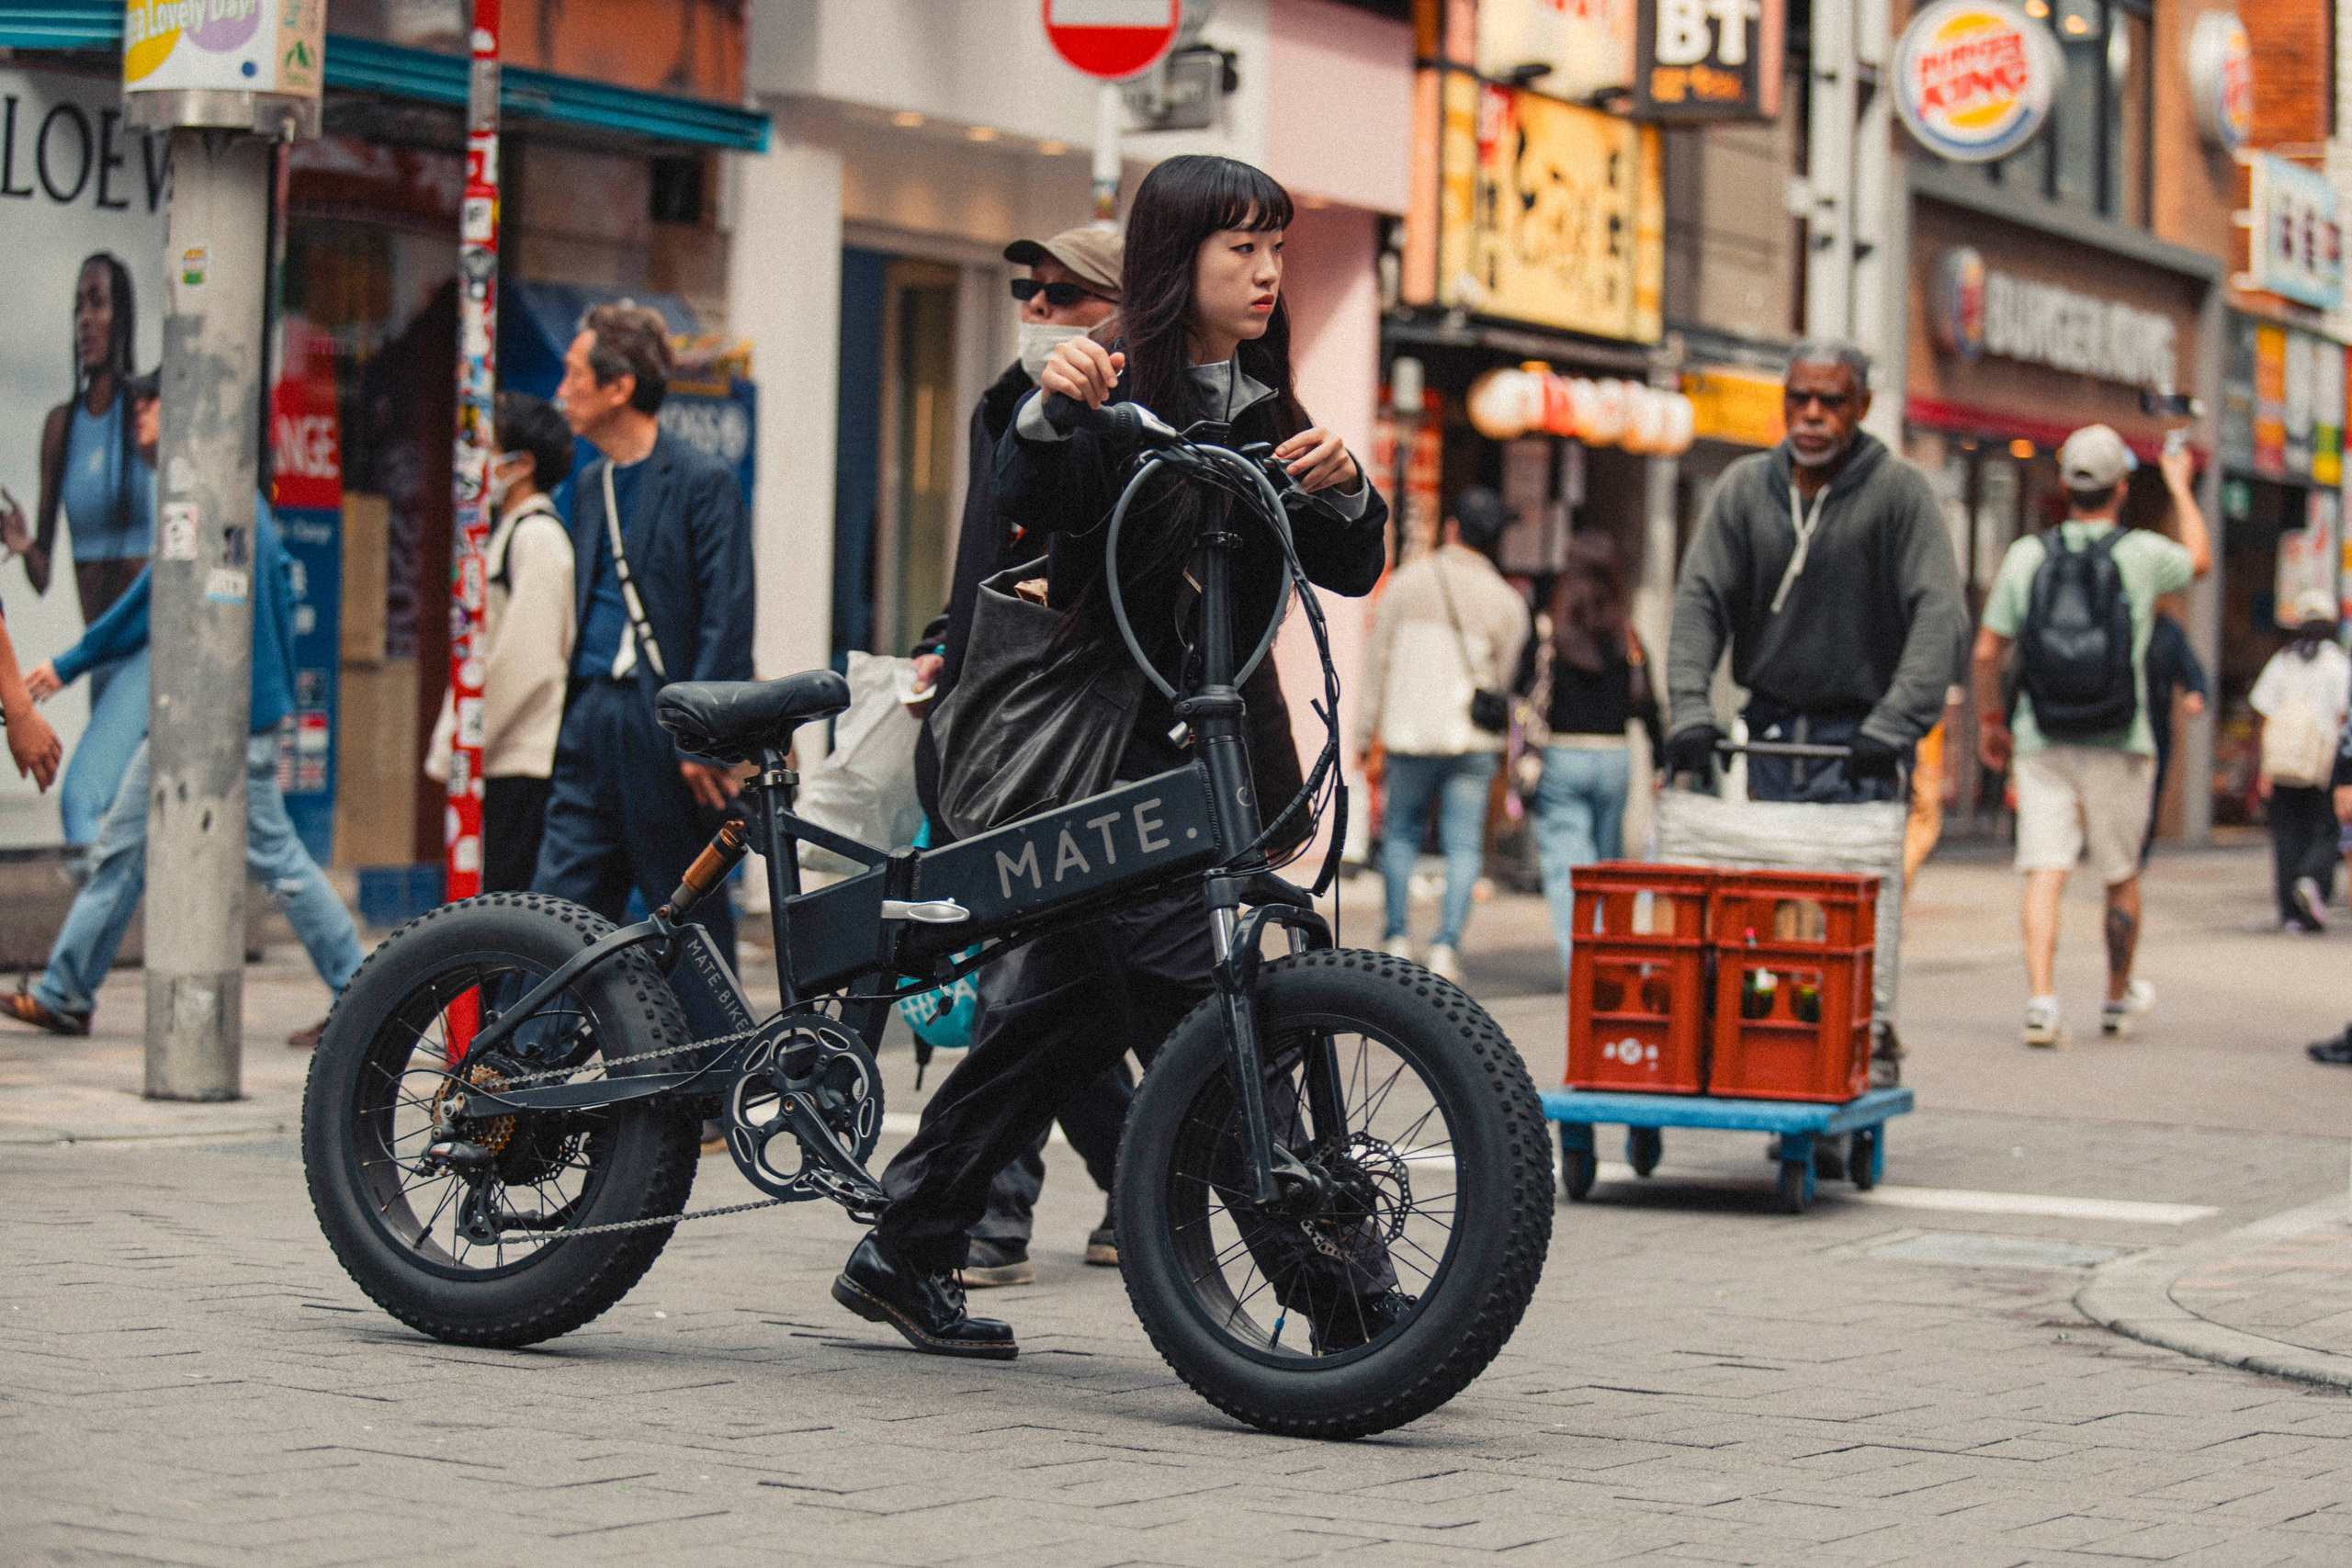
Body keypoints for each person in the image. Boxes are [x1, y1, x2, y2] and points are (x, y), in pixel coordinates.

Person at [831, 153, 1388, 1359]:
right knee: (1210, 1008)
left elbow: (1347, 567)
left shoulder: (1262, 402)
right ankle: (1345, 1296)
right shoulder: (1103, 383)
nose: (1265, 271)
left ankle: (907, 1239)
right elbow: (1021, 492)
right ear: (1173, 252)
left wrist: (1349, 492)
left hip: (1211, 773)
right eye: (1240, 246)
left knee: (1067, 1014)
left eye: (1276, 250)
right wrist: (1050, 406)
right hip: (1103, 772)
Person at [899, 225, 1133, 1289]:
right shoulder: (1007, 403)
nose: (1036, 312)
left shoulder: (1128, 422)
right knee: (1041, 977)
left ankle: (985, 1218)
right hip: (987, 724)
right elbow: (983, 561)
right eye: (1030, 294)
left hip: (1074, 738)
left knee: (1036, 976)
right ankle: (1126, 1186)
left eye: (1064, 298)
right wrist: (943, 643)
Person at [1, 497, 364, 1038]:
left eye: (145, 407)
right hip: (198, 715)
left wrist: (68, 663)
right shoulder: (236, 498)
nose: (142, 419)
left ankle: (362, 997)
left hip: (225, 717)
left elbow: (156, 596)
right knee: (123, 850)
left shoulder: (208, 490)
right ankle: (66, 993)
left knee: (278, 857)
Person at [531, 301, 754, 1039]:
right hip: (593, 711)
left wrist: (703, 739)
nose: (562, 388)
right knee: (557, 900)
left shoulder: (701, 480)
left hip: (664, 723)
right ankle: (527, 1069)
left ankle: (717, 1077)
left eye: (574, 373)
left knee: (683, 900)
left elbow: (727, 610)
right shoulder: (589, 486)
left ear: (618, 385)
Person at [1973, 424, 2211, 1048]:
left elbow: (1986, 650)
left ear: (2065, 484)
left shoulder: (2029, 554)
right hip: (2120, 735)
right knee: (2120, 872)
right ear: (2122, 488)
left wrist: (1992, 721)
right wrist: (2181, 486)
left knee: (2044, 870)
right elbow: (2201, 560)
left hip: (2041, 735)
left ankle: (2042, 1002)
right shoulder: (2140, 554)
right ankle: (2114, 998)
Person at [1667, 340, 1969, 806]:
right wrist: (1689, 709)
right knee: (1775, 879)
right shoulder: (1744, 488)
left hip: (1864, 743)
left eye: (1832, 401)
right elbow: (1700, 601)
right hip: (1768, 736)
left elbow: (1939, 615)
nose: (1811, 414)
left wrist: (1894, 723)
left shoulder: (1899, 492)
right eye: (1798, 397)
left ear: (1862, 406)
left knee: (1852, 879)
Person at [0, 257, 153, 852]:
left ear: (123, 317)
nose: (85, 320)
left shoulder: (144, 412)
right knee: (121, 819)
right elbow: (41, 574)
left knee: (84, 802)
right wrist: (21, 545)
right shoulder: (62, 427)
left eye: (99, 302)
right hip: (99, 658)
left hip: (143, 647)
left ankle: (86, 944)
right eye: (78, 306)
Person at [1354, 488, 1528, 982]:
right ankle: (1446, 947)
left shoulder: (1406, 584)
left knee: (1400, 836)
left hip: (1410, 731)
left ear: (1452, 528)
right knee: (1464, 845)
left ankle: (1395, 935)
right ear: (1494, 542)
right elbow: (1506, 676)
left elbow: (1378, 663)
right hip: (1471, 740)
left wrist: (1365, 731)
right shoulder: (1507, 602)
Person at [425, 392, 577, 894]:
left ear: (523, 465)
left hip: (520, 760)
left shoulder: (537, 537)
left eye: (486, 447)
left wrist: (464, 742)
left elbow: (527, 661)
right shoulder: (509, 534)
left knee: (504, 917)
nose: (474, 461)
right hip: (501, 757)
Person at [1516, 529, 1659, 972]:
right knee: (1606, 867)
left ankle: (1581, 963)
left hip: (1562, 758)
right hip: (1616, 759)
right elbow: (1649, 707)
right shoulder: (1627, 636)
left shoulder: (1549, 630)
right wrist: (1665, 759)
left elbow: (1521, 690)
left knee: (1568, 870)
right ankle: (1609, 958)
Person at [2247, 589, 2348, 933]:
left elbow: (2262, 712)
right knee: (2326, 830)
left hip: (2282, 763)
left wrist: (2262, 767)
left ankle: (2292, 913)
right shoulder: (2338, 665)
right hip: (2324, 763)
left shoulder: (2282, 662)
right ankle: (2311, 880)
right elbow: (2343, 719)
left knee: (2286, 834)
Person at [2140, 608, 2209, 864]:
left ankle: (2137, 855)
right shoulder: (2106, 614)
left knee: (2150, 794)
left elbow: (2191, 669)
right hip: (2107, 728)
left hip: (2153, 727)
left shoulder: (2165, 629)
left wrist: (2195, 692)